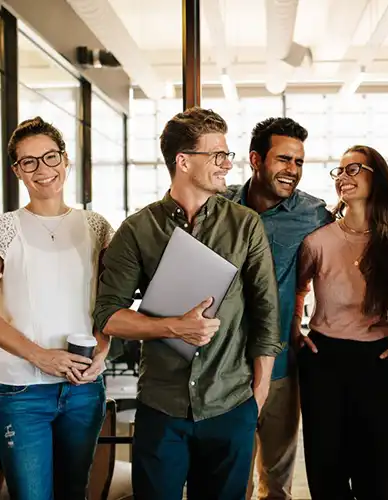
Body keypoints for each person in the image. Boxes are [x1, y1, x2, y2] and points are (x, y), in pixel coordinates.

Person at [93, 107, 282, 500]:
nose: (227, 165)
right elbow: (109, 315)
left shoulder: (245, 224)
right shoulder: (138, 229)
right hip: (162, 407)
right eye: (217, 155)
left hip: (231, 404)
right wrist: (173, 326)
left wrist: (257, 397)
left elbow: (267, 315)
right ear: (183, 161)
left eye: (227, 155)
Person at [0, 117, 113, 500]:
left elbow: (108, 303)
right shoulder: (5, 229)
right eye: (28, 162)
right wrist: (40, 357)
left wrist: (103, 350)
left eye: (50, 157)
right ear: (17, 171)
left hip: (83, 390)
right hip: (21, 390)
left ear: (65, 160)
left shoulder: (97, 226)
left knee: (73, 492)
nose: (42, 169)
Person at [293, 145, 388, 500]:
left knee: (375, 470)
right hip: (323, 357)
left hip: (374, 359)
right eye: (340, 171)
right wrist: (295, 333)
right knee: (326, 466)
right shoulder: (317, 240)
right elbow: (298, 288)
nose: (343, 177)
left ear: (377, 177)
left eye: (354, 169)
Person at [225, 117, 332, 500]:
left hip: (283, 368)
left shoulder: (314, 215)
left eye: (299, 162)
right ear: (255, 159)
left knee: (277, 485)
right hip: (223, 369)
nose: (293, 170)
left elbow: (355, 244)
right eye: (283, 159)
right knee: (230, 481)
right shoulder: (218, 207)